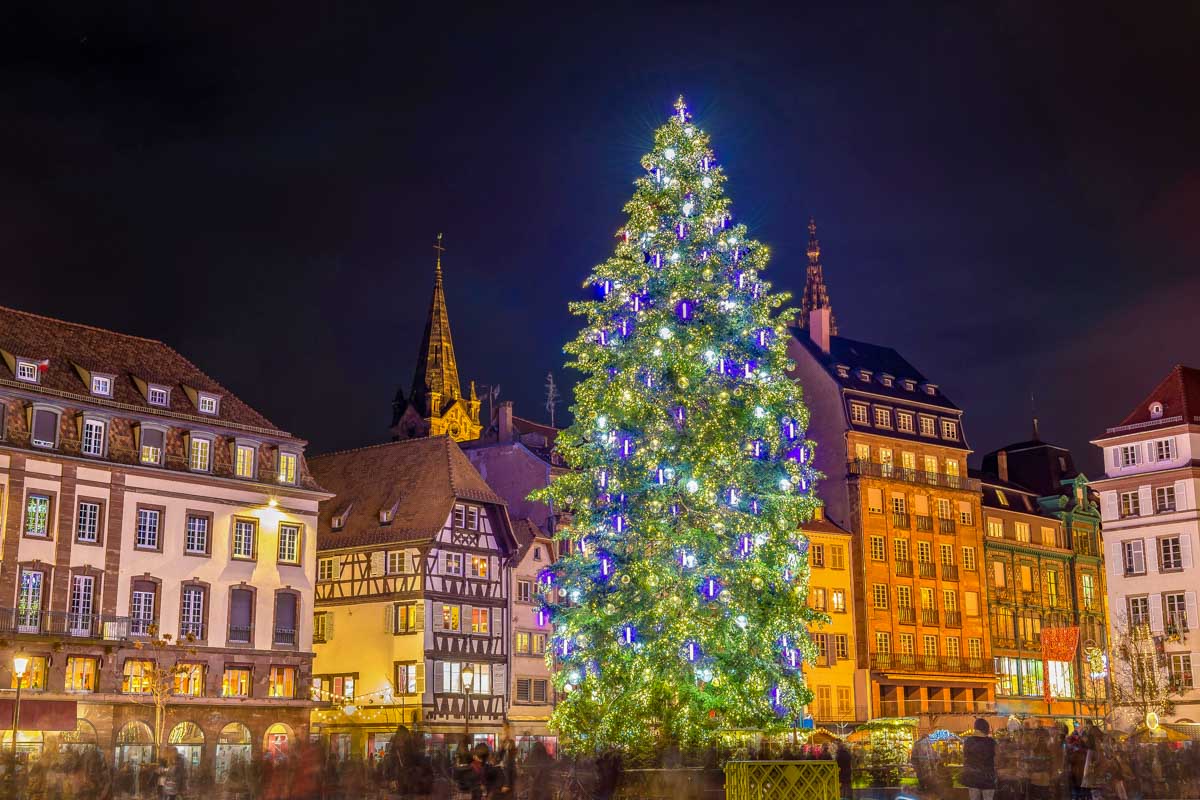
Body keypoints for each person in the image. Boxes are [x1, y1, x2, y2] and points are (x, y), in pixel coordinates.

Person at [960, 718, 998, 800]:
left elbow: (965, 757)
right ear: (986, 729)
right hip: (988, 777)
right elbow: (997, 758)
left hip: (973, 777)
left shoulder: (968, 742)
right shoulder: (991, 742)